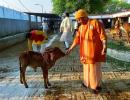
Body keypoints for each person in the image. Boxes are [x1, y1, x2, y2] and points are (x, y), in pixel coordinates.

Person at [66, 9, 107, 94]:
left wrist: (104, 46)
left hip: (94, 52)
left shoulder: (95, 23)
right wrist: (70, 48)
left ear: (84, 17)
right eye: (77, 20)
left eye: (79, 19)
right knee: (86, 69)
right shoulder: (80, 27)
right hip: (85, 53)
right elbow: (76, 40)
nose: (78, 21)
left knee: (95, 70)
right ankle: (86, 83)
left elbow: (102, 35)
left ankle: (96, 86)